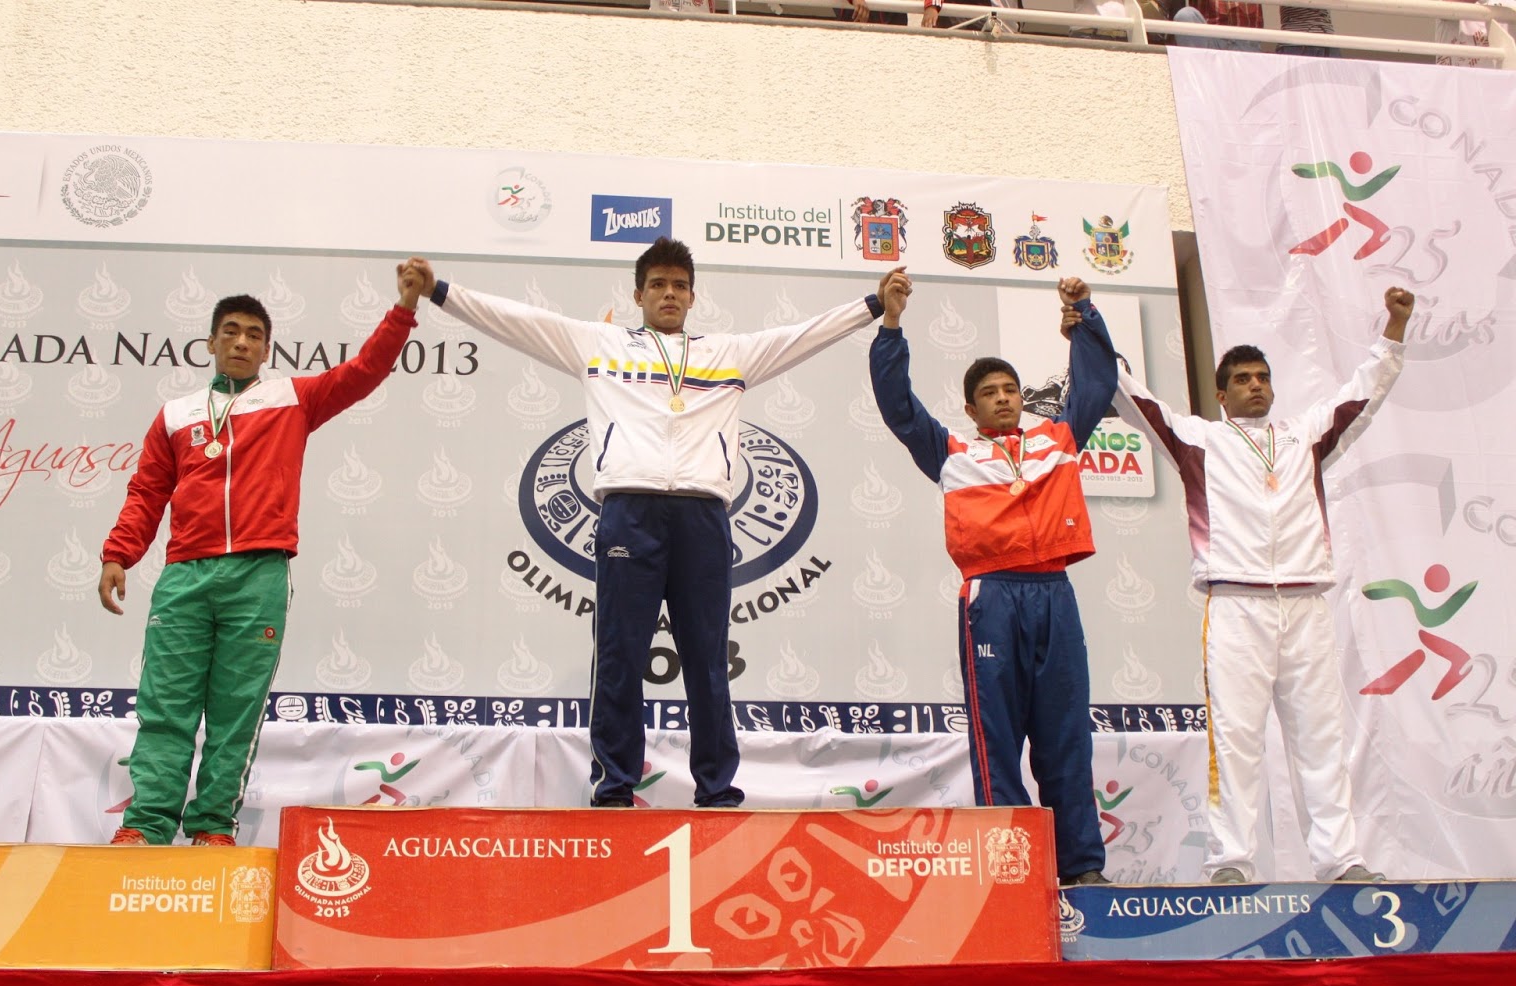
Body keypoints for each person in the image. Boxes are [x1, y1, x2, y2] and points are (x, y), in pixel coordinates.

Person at [420, 240, 895, 808]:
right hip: (629, 513)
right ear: (637, 294)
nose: (669, 294)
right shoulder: (599, 345)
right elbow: (517, 321)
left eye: (679, 285)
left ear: (693, 297)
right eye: (658, 285)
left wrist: (872, 305)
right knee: (619, 655)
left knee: (707, 660)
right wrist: (440, 292)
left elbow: (802, 335)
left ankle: (716, 790)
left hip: (703, 516)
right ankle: (614, 787)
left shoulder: (729, 354)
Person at [1072, 285, 1415, 883]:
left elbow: (1364, 391)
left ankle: (1340, 859)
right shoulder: (1197, 440)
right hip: (1235, 605)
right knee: (1235, 739)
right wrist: (1088, 321)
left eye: (1262, 377)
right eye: (1242, 379)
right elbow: (1132, 393)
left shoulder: (1307, 435)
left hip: (1305, 604)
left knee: (1321, 739)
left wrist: (1395, 326)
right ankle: (1231, 859)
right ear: (1222, 394)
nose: (1255, 386)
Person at [98, 259, 433, 845]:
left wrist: (404, 307)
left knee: (236, 712)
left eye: (254, 335)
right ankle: (146, 825)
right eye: (230, 331)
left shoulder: (291, 399)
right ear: (210, 342)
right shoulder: (175, 415)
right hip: (184, 575)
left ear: (266, 349)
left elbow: (365, 370)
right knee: (166, 706)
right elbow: (147, 491)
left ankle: (212, 827)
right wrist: (118, 554)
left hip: (258, 573)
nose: (241, 342)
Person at [870, 273, 1114, 886]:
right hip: (991, 597)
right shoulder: (951, 453)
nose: (1003, 399)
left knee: (1066, 734)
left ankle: (1082, 865)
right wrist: (891, 326)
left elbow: (1096, 383)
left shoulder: (1058, 440)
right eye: (989, 393)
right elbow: (899, 407)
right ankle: (1016, 867)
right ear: (971, 408)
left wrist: (1084, 314)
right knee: (996, 738)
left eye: (1010, 390)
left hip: (1055, 594)